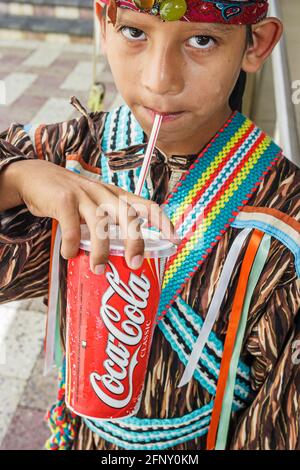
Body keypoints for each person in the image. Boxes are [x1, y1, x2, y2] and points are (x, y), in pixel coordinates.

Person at [0, 0, 299, 450]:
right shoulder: (75, 157)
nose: (160, 80)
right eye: (135, 33)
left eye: (202, 40)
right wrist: (17, 178)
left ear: (255, 45)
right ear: (105, 24)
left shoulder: (284, 216)